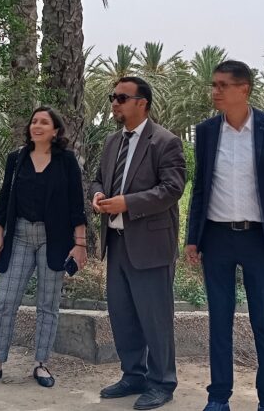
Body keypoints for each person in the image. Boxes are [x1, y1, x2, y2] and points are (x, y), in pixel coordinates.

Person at [184, 60, 264, 411]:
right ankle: (218, 397)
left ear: (244, 88)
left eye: (222, 85)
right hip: (216, 238)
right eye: (213, 85)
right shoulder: (207, 131)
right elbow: (200, 188)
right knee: (219, 322)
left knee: (263, 322)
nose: (215, 91)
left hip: (258, 240)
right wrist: (192, 237)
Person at [0, 106, 89, 388]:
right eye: (34, 121)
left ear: (55, 130)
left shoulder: (66, 161)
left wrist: (80, 243)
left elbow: (76, 203)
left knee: (48, 305)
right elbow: (4, 199)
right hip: (20, 236)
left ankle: (41, 364)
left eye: (44, 122)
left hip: (54, 238)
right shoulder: (17, 159)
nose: (37, 125)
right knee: (5, 301)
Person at [90, 76, 186, 410]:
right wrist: (97, 195)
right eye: (112, 97)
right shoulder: (111, 142)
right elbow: (98, 179)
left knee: (155, 318)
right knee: (123, 315)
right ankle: (134, 375)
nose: (114, 103)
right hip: (116, 243)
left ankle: (162, 382)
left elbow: (172, 189)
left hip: (151, 245)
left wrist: (127, 203)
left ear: (141, 103)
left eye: (121, 98)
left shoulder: (165, 142)